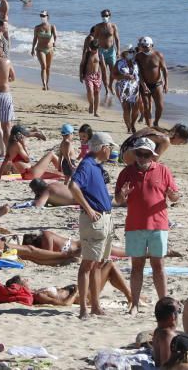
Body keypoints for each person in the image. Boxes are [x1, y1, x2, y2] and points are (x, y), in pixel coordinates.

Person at [115, 137, 179, 314]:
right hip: (135, 226)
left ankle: (164, 306)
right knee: (137, 267)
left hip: (158, 225)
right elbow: (118, 200)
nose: (141, 157)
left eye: (145, 154)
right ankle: (134, 304)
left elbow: (175, 197)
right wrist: (122, 195)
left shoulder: (163, 171)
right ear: (134, 154)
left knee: (158, 266)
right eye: (138, 153)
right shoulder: (126, 172)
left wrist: (172, 195)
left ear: (152, 155)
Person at [68, 132, 114, 319]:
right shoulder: (87, 164)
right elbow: (73, 186)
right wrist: (88, 209)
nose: (111, 151)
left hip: (103, 218)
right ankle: (84, 309)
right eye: (110, 147)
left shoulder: (95, 165)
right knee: (88, 264)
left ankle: (95, 305)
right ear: (104, 148)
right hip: (94, 219)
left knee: (97, 264)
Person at [135, 36, 168, 127]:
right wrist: (143, 85)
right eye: (143, 46)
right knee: (146, 107)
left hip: (157, 84)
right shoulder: (138, 56)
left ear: (152, 45)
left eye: (147, 46)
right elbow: (138, 72)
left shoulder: (158, 55)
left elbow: (164, 70)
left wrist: (166, 84)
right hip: (144, 84)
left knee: (160, 106)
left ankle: (156, 122)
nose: (145, 48)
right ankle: (149, 126)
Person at [90, 9, 120, 94]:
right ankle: (106, 88)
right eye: (103, 16)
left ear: (109, 16)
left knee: (113, 70)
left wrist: (118, 51)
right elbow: (95, 39)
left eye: (106, 15)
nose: (104, 17)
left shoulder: (113, 26)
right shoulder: (98, 26)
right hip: (101, 50)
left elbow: (117, 39)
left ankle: (111, 85)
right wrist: (93, 51)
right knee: (103, 69)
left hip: (111, 51)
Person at [31, 10, 56, 90]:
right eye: (41, 16)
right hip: (40, 49)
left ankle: (47, 84)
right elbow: (35, 38)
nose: (42, 17)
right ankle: (44, 84)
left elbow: (55, 36)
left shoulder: (52, 26)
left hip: (50, 49)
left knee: (48, 67)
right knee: (43, 66)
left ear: (47, 16)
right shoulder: (37, 27)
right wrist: (32, 49)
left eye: (43, 16)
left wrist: (54, 42)